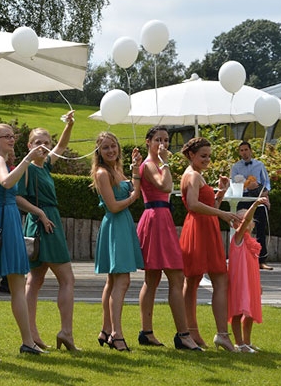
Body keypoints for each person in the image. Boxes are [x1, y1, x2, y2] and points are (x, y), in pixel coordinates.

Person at [0, 123, 48, 355]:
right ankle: (23, 342)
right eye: (5, 136)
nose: (11, 139)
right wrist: (27, 158)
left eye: (12, 135)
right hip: (2, 222)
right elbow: (6, 183)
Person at [16, 112, 79, 351]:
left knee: (35, 280)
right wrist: (40, 214)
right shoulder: (29, 168)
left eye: (46, 142)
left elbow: (62, 146)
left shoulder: (45, 166)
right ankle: (63, 333)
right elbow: (17, 197)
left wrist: (69, 125)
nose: (43, 146)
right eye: (38, 142)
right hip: (44, 222)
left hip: (45, 221)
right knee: (65, 279)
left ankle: (35, 335)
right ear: (29, 146)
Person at [135, 127, 201, 351]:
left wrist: (164, 162)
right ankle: (182, 334)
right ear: (148, 142)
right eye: (157, 140)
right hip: (156, 219)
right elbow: (165, 185)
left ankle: (147, 332)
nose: (162, 144)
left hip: (161, 218)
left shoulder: (156, 163)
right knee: (174, 277)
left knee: (156, 278)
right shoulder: (149, 165)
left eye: (166, 140)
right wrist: (165, 162)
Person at [179, 137, 238, 352]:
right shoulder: (193, 175)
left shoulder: (193, 174)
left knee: (193, 281)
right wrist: (222, 213)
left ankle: (192, 331)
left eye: (208, 156)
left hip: (200, 227)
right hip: (200, 228)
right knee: (219, 279)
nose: (207, 159)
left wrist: (220, 193)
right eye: (203, 155)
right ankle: (221, 334)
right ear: (192, 155)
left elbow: (205, 205)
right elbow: (194, 205)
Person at [91, 132, 144, 352]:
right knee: (122, 281)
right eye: (106, 148)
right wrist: (133, 198)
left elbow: (131, 187)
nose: (111, 150)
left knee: (113, 281)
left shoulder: (116, 170)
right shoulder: (103, 173)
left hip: (121, 225)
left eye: (113, 146)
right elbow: (113, 206)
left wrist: (134, 168)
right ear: (99, 152)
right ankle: (117, 334)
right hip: (115, 225)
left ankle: (106, 329)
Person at [228, 198, 267, 352]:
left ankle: (247, 341)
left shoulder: (250, 242)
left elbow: (253, 267)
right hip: (239, 281)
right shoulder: (238, 239)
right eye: (243, 219)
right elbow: (246, 220)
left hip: (250, 281)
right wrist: (255, 204)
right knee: (238, 311)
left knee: (250, 311)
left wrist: (259, 284)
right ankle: (239, 343)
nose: (248, 221)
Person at [230, 141, 273, 270]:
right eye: (241, 150)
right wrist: (247, 186)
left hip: (258, 198)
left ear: (250, 150)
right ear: (239, 152)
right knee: (242, 228)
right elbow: (233, 183)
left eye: (246, 149)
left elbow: (267, 183)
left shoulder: (260, 165)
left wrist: (265, 194)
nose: (244, 152)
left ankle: (261, 260)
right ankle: (241, 257)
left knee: (261, 229)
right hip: (243, 198)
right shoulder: (236, 167)